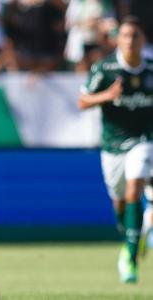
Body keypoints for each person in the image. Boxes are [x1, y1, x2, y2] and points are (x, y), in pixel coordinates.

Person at [78, 16, 153, 283]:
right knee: (119, 201)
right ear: (118, 40)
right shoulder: (105, 68)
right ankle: (132, 238)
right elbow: (82, 101)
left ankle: (130, 260)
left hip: (143, 141)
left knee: (135, 189)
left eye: (135, 36)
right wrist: (106, 96)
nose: (131, 41)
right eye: (126, 36)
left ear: (143, 41)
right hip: (112, 146)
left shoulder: (151, 70)